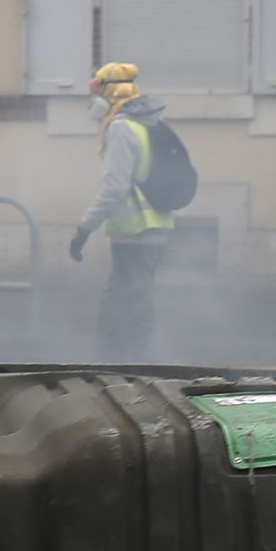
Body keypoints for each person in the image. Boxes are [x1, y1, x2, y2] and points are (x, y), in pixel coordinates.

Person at [70, 62, 175, 362]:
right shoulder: (147, 121)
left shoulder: (120, 127)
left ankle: (146, 371)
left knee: (134, 309)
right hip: (151, 229)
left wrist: (84, 228)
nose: (93, 103)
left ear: (111, 92)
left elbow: (115, 188)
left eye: (97, 92)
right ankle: (112, 365)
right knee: (119, 306)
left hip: (136, 232)